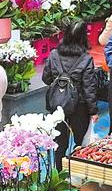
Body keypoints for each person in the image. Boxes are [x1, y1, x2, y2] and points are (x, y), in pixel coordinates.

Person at [42, 20, 99, 170]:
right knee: (81, 143)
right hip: (79, 106)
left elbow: (46, 78)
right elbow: (89, 87)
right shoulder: (86, 59)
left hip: (57, 104)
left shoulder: (54, 54)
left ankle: (59, 173)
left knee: (59, 143)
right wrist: (93, 111)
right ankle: (77, 173)